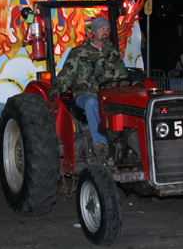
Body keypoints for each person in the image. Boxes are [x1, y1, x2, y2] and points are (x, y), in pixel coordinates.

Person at [47, 17, 127, 161]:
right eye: (102, 29)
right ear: (93, 31)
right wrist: (57, 87)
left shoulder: (113, 53)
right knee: (91, 102)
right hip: (85, 94)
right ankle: (100, 142)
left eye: (107, 29)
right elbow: (67, 74)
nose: (105, 32)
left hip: (108, 95)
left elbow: (122, 75)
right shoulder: (78, 52)